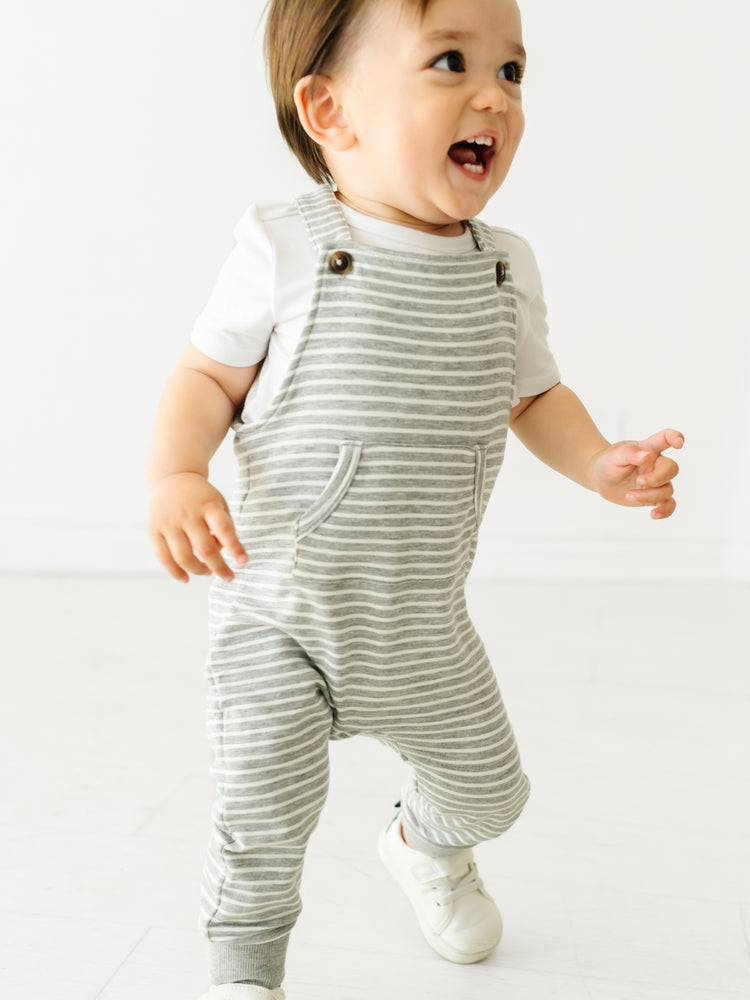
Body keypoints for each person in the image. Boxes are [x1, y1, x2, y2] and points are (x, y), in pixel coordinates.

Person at [147, 0, 684, 996]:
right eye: (450, 61)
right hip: (283, 612)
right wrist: (178, 475)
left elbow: (535, 396)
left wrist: (600, 460)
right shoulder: (288, 243)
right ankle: (244, 970)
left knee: (492, 789)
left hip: (421, 623)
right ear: (330, 109)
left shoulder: (502, 268)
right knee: (265, 814)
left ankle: (425, 847)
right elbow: (204, 379)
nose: (495, 96)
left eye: (512, 73)